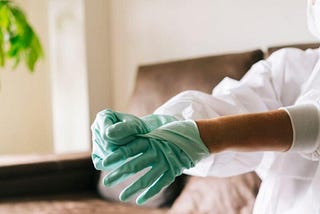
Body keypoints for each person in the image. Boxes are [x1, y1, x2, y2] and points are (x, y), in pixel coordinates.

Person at [91, 0, 320, 213]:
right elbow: (233, 106)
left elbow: (313, 124)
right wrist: (160, 126)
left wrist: (209, 134)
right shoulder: (292, 67)